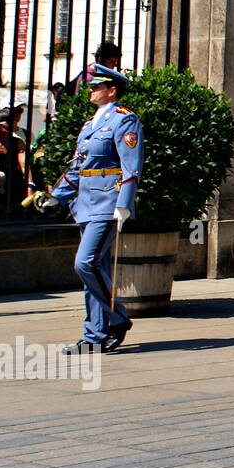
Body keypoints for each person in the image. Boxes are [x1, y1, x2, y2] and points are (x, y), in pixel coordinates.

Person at [37, 66, 142, 353]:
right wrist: (56, 196)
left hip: (108, 201)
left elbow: (131, 167)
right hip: (85, 202)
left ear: (112, 91)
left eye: (97, 87)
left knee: (86, 263)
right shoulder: (88, 125)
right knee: (95, 271)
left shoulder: (124, 120)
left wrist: (124, 204)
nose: (91, 90)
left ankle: (117, 318)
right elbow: (78, 167)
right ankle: (95, 335)